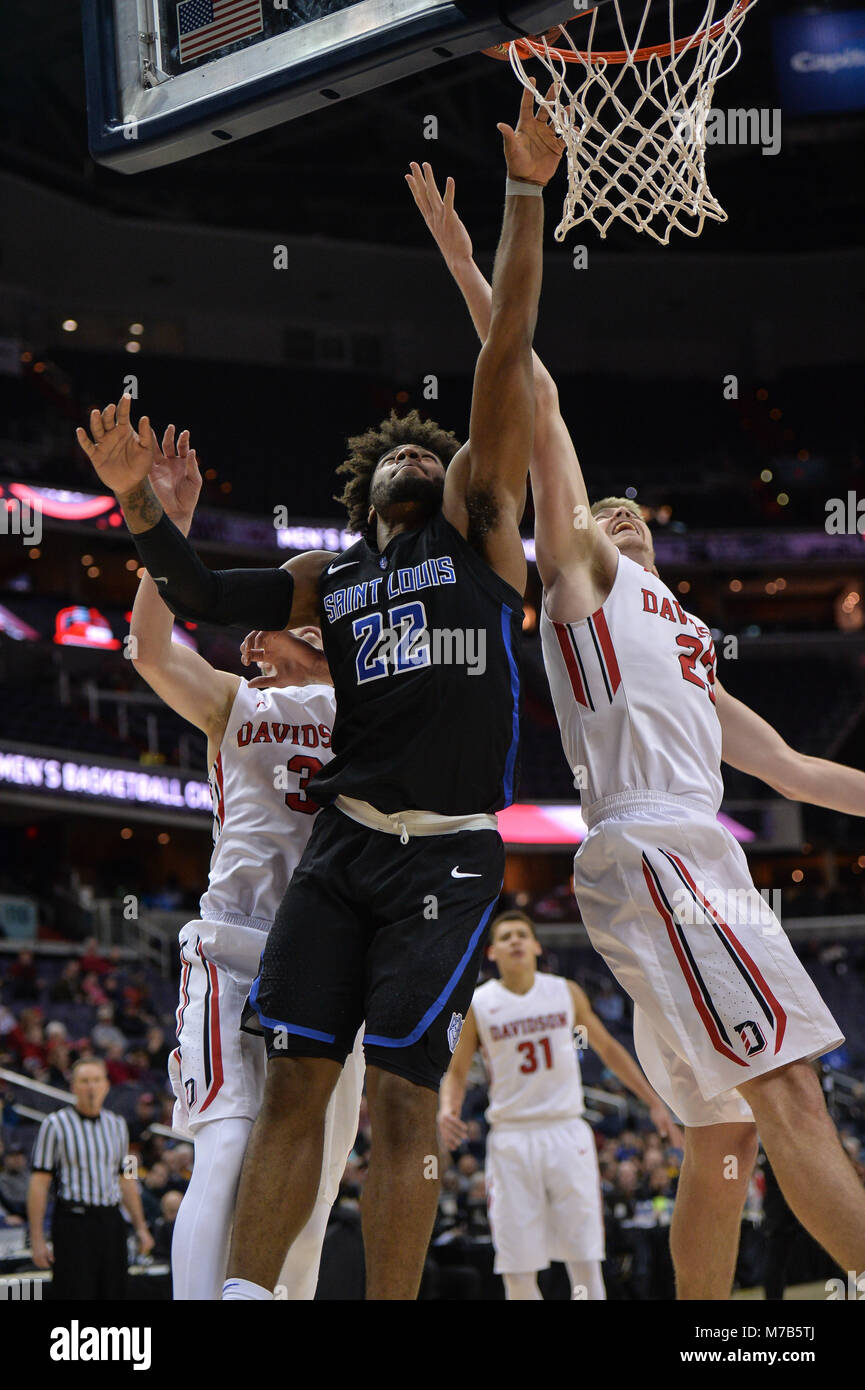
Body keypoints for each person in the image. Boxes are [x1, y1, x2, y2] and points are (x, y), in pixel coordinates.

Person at [75, 86, 565, 1300]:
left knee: (403, 1108)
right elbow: (188, 586)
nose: (412, 445)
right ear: (365, 496)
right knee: (289, 1089)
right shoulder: (328, 580)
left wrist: (519, 202)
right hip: (343, 849)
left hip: (446, 856)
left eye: (427, 444)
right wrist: (140, 502)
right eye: (391, 449)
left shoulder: (483, 535)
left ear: (452, 479)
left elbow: (503, 359)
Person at [409, 162, 865, 1298]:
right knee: (793, 1092)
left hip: (681, 856)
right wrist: (475, 263)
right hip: (656, 850)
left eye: (629, 509)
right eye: (597, 505)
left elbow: (799, 767)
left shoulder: (687, 636)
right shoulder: (586, 580)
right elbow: (538, 400)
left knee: (724, 1143)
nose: (611, 509)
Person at [125, 424, 364, 1300]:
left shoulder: (356, 709)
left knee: (308, 1176)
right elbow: (148, 649)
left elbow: (155, 651)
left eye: (264, 628)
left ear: (300, 630)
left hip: (328, 960)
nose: (246, 642)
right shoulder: (236, 702)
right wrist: (166, 531)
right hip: (241, 946)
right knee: (231, 1145)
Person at [439, 909, 681, 1300]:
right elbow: (458, 1071)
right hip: (511, 1138)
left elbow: (607, 1048)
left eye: (522, 934)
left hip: (567, 1132)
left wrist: (653, 1100)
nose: (515, 940)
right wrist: (448, 1108)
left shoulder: (564, 992)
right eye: (506, 936)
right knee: (517, 1264)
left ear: (536, 945)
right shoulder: (479, 1004)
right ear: (492, 952)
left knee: (583, 1256)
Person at [27, 1057, 153, 1300]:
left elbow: (126, 1179)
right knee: (75, 1292)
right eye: (84, 1081)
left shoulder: (118, 1125)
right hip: (74, 1222)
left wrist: (141, 1227)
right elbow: (39, 1184)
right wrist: (37, 1239)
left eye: (96, 1080)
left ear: (106, 1085)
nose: (91, 1087)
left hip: (111, 1221)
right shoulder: (55, 1125)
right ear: (73, 1086)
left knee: (115, 1290)